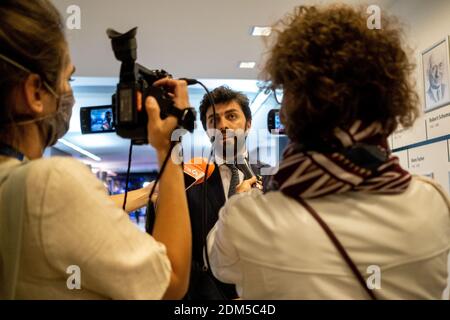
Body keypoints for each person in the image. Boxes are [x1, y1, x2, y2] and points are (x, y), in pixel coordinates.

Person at [207, 5, 450, 299]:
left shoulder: (249, 217)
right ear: (387, 98)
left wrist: (242, 199)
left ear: (293, 110)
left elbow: (218, 263)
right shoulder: (434, 201)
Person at [0, 0, 191, 299]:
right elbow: (172, 280)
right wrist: (169, 148)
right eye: (68, 78)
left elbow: (76, 214)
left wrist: (146, 193)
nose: (69, 92)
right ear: (35, 92)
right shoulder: (48, 183)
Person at [180, 86, 267, 300]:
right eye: (213, 120)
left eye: (231, 116)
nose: (223, 125)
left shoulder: (275, 178)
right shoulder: (186, 181)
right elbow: (184, 258)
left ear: (247, 124)